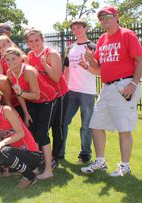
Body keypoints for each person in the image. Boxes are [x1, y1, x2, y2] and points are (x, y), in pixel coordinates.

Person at [81, 6, 142, 176]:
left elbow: (140, 59)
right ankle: (100, 162)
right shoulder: (102, 39)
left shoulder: (127, 34)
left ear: (116, 17)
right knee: (95, 125)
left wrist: (134, 83)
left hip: (125, 85)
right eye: (101, 18)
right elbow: (98, 67)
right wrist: (90, 59)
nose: (104, 20)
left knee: (124, 129)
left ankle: (125, 166)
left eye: (107, 16)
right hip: (107, 88)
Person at [5, 47, 56, 179]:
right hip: (32, 102)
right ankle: (36, 166)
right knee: (32, 133)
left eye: (14, 59)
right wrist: (26, 112)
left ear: (20, 58)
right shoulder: (10, 73)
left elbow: (36, 94)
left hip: (46, 100)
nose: (11, 62)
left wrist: (21, 93)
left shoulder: (28, 71)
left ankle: (48, 169)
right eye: (8, 59)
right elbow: (19, 94)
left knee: (42, 134)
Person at [26, 28, 69, 170]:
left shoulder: (52, 54)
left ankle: (56, 156)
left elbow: (57, 77)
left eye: (37, 40)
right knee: (41, 127)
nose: (34, 43)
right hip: (43, 97)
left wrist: (45, 65)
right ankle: (42, 155)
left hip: (59, 94)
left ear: (42, 39)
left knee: (58, 126)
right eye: (31, 41)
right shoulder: (29, 55)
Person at [0, 85, 42, 189]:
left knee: (4, 150)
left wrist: (3, 143)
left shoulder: (7, 110)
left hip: (31, 154)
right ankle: (16, 171)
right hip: (17, 154)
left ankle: (30, 176)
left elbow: (21, 133)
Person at [61, 19, 97, 163]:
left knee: (86, 126)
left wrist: (87, 66)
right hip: (71, 92)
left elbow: (98, 70)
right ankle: (59, 152)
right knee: (63, 123)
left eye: (79, 28)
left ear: (85, 28)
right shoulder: (70, 48)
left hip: (87, 92)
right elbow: (66, 71)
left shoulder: (93, 46)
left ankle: (85, 154)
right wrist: (64, 89)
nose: (76, 31)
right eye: (74, 28)